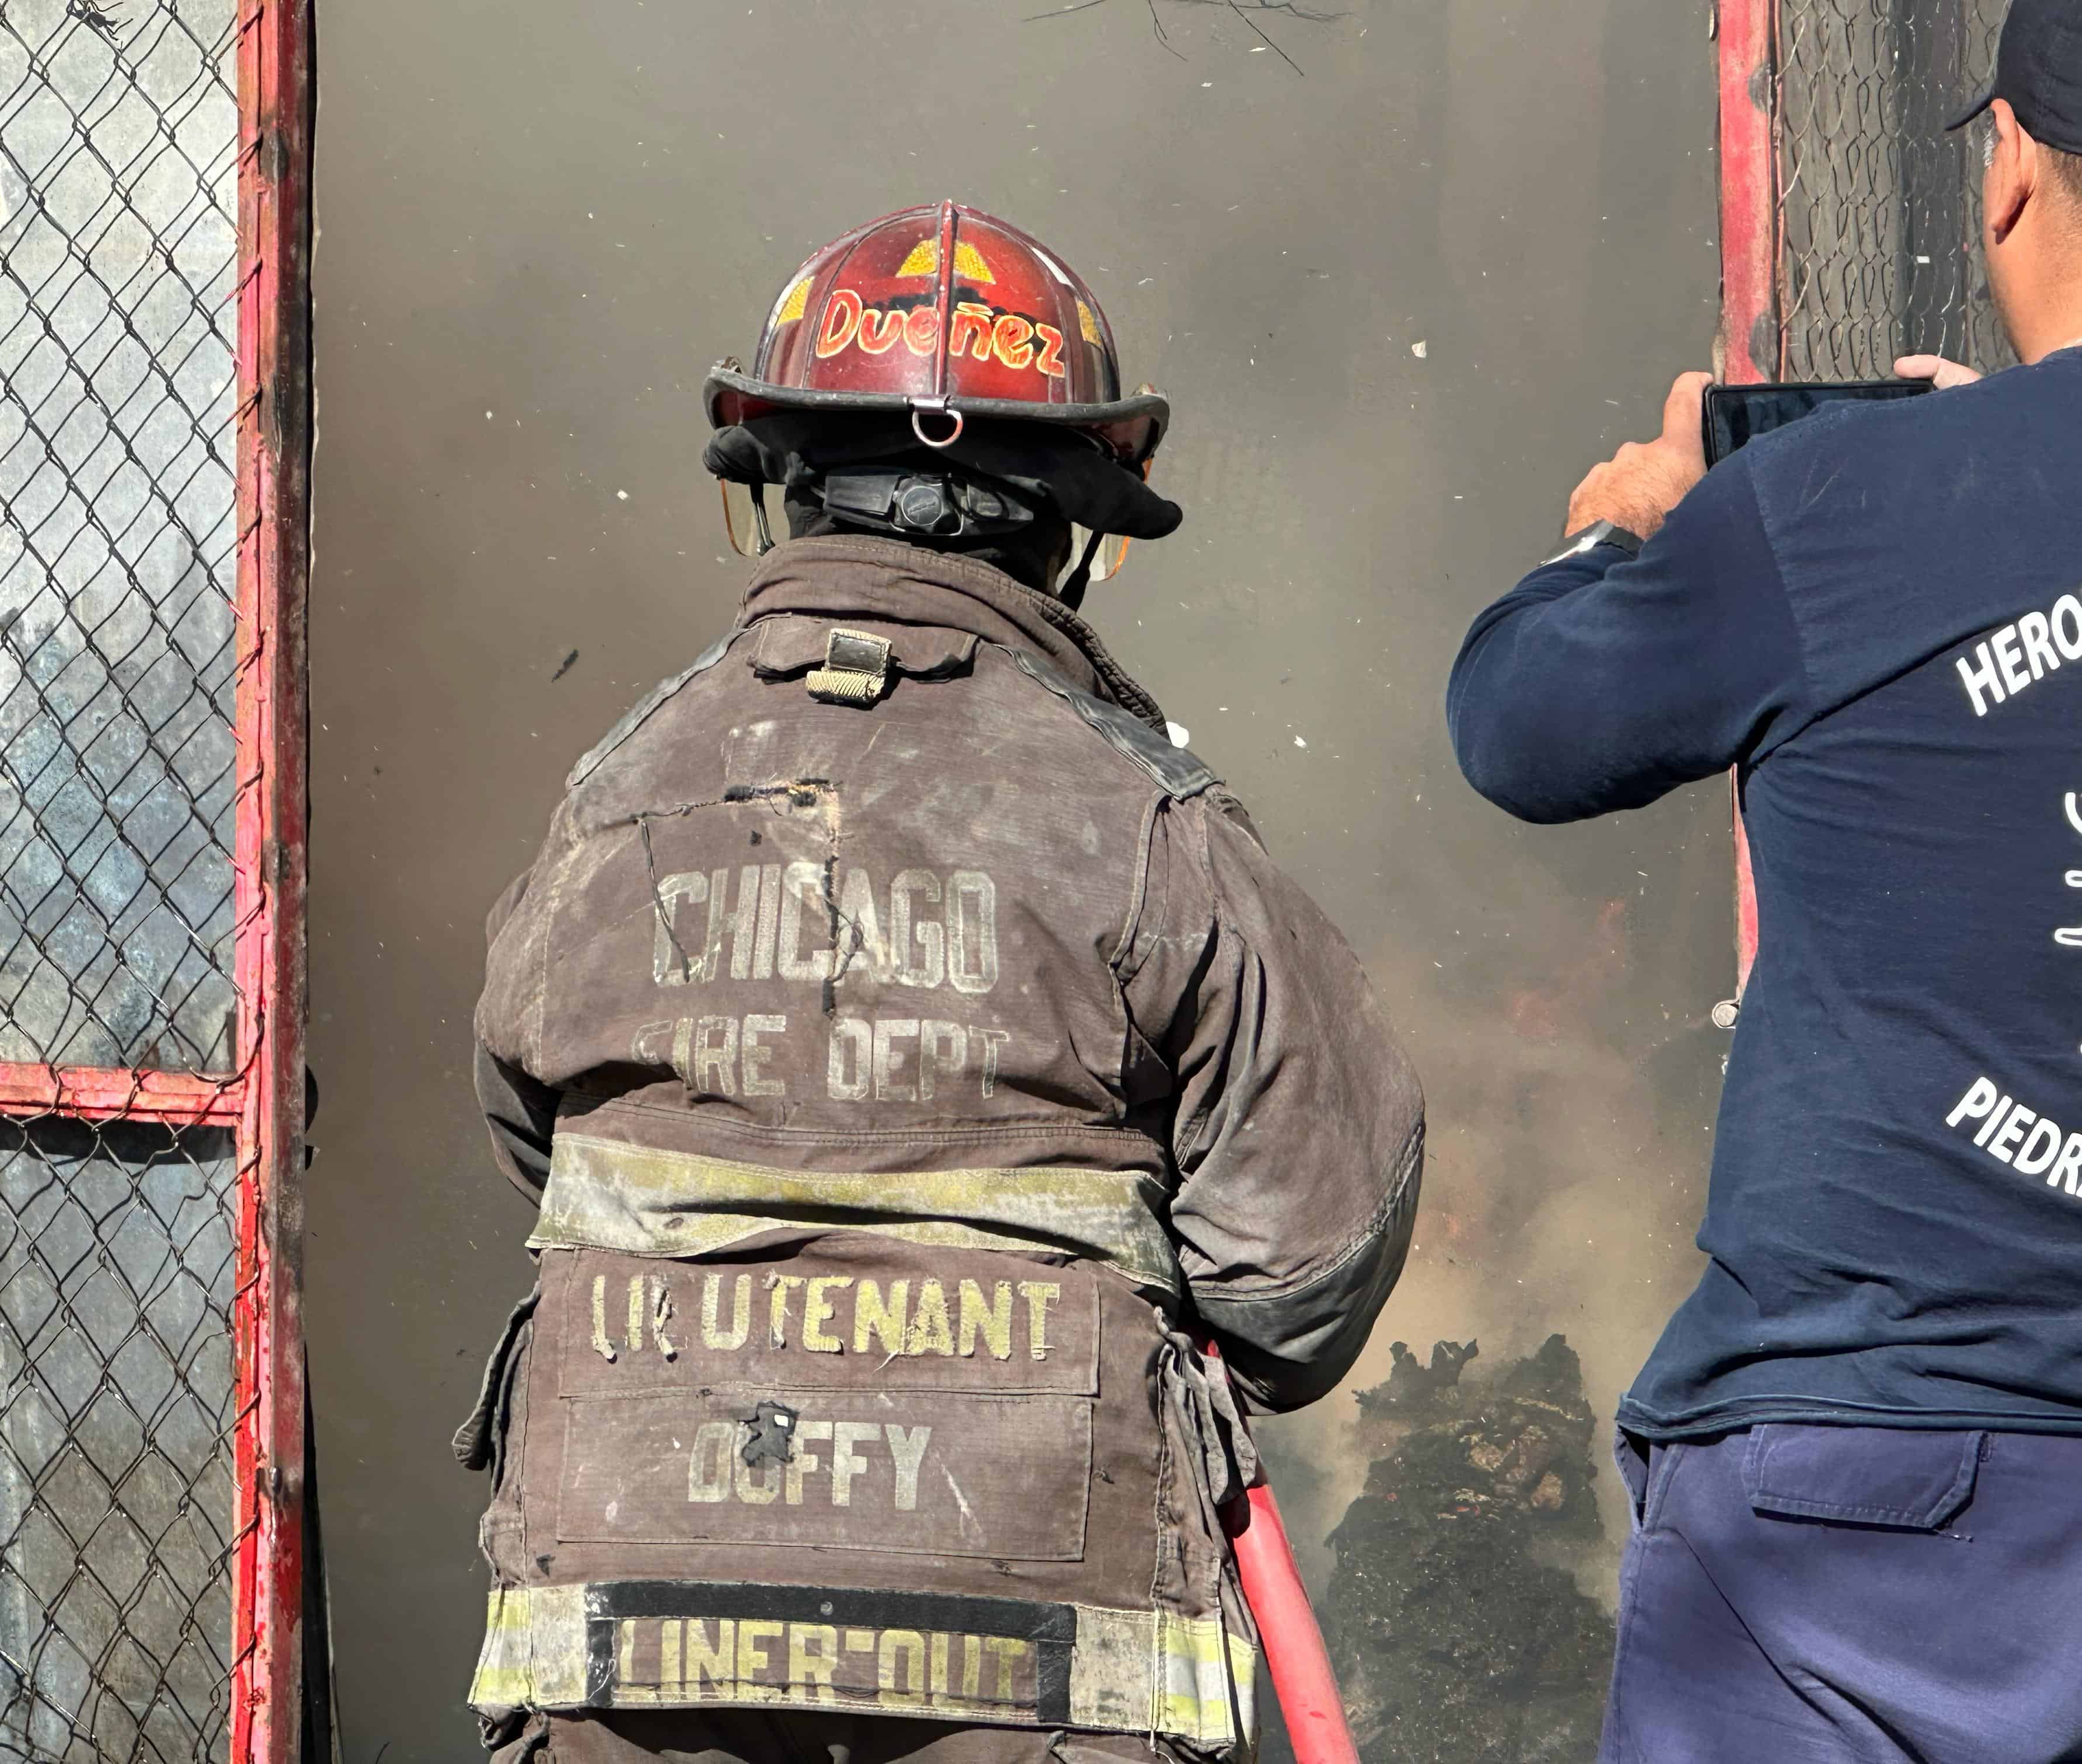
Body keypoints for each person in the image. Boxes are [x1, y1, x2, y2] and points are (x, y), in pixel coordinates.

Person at [451, 202, 1424, 1764]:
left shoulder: (613, 803)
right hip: (1041, 1690)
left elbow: (526, 1127)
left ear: (779, 486)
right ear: (1072, 524)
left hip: (628, 1668)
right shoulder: (1157, 826)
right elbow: (1306, 1274)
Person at [1446, 0, 2082, 1755]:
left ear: (2013, 173)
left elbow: (1518, 725)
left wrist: (1636, 528)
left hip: (1864, 1518)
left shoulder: (1844, 506)